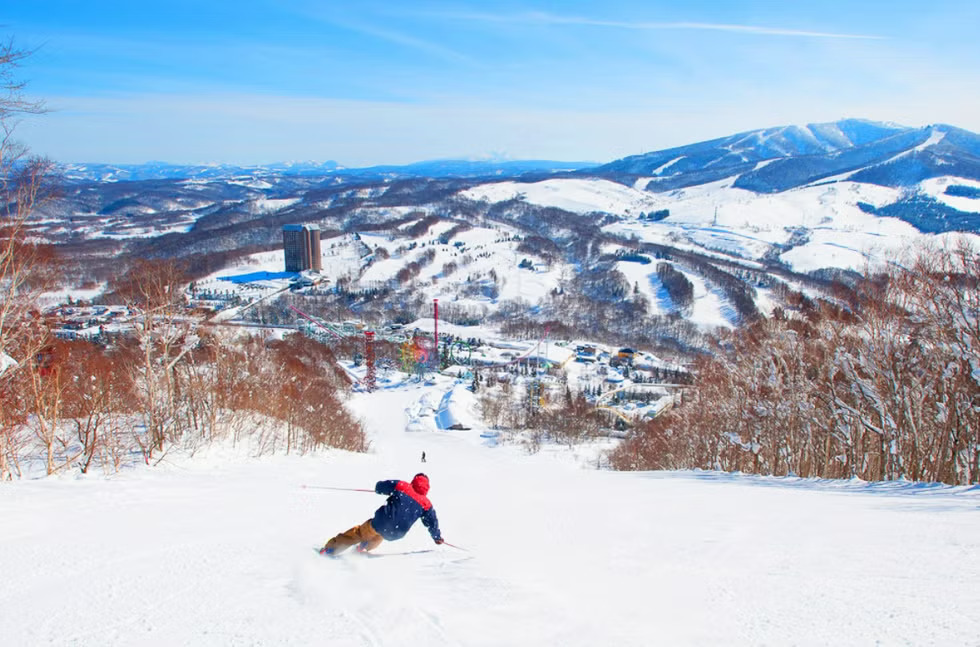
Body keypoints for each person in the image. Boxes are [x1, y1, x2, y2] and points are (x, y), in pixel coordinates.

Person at [320, 473, 443, 556]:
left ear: (414, 481)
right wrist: (437, 537)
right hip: (397, 533)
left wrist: (380, 489)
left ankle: (331, 548)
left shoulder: (402, 486)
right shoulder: (426, 504)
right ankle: (364, 547)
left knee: (360, 532)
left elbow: (380, 486)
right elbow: (433, 523)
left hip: (382, 521)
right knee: (382, 534)